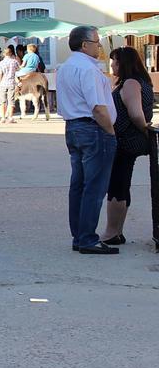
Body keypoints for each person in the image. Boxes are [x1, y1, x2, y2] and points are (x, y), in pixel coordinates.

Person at [57, 25, 118, 254]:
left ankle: (79, 236)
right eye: (96, 43)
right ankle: (88, 238)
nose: (99, 47)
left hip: (73, 127)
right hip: (93, 129)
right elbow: (98, 108)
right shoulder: (88, 69)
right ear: (84, 45)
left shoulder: (65, 67)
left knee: (79, 185)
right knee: (94, 186)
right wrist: (110, 133)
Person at [100, 46, 154, 246]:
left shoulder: (130, 83)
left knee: (117, 184)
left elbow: (136, 113)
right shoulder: (139, 81)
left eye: (115, 61)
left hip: (126, 140)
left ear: (124, 64)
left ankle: (112, 232)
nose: (112, 65)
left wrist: (145, 131)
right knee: (121, 183)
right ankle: (116, 231)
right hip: (129, 138)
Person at [0, 46, 20, 124]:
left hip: (3, 83)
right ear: (10, 53)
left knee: (3, 101)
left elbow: (0, 74)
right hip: (12, 82)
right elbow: (18, 70)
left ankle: (3, 117)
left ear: (4, 54)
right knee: (11, 101)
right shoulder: (14, 62)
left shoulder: (1, 63)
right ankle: (10, 117)